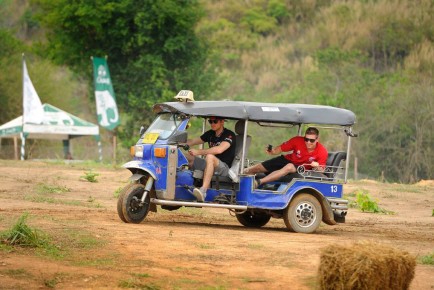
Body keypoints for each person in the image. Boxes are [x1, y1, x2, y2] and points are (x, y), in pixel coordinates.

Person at [244, 127, 327, 188]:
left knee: (289, 167)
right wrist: (272, 151)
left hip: (301, 167)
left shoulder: (322, 151)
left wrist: (317, 166)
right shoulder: (297, 140)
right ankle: (241, 174)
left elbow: (322, 170)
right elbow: (281, 148)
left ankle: (259, 182)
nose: (308, 142)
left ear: (317, 139)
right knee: (258, 167)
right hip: (288, 159)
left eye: (311, 140)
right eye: (306, 139)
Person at [185, 116, 236, 201]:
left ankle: (203, 190)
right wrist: (177, 141)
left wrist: (198, 152)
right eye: (210, 121)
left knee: (210, 156)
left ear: (222, 122)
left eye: (215, 121)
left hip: (224, 168)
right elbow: (193, 141)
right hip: (209, 164)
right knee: (186, 156)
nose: (212, 124)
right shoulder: (210, 133)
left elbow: (219, 150)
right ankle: (182, 184)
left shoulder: (229, 135)